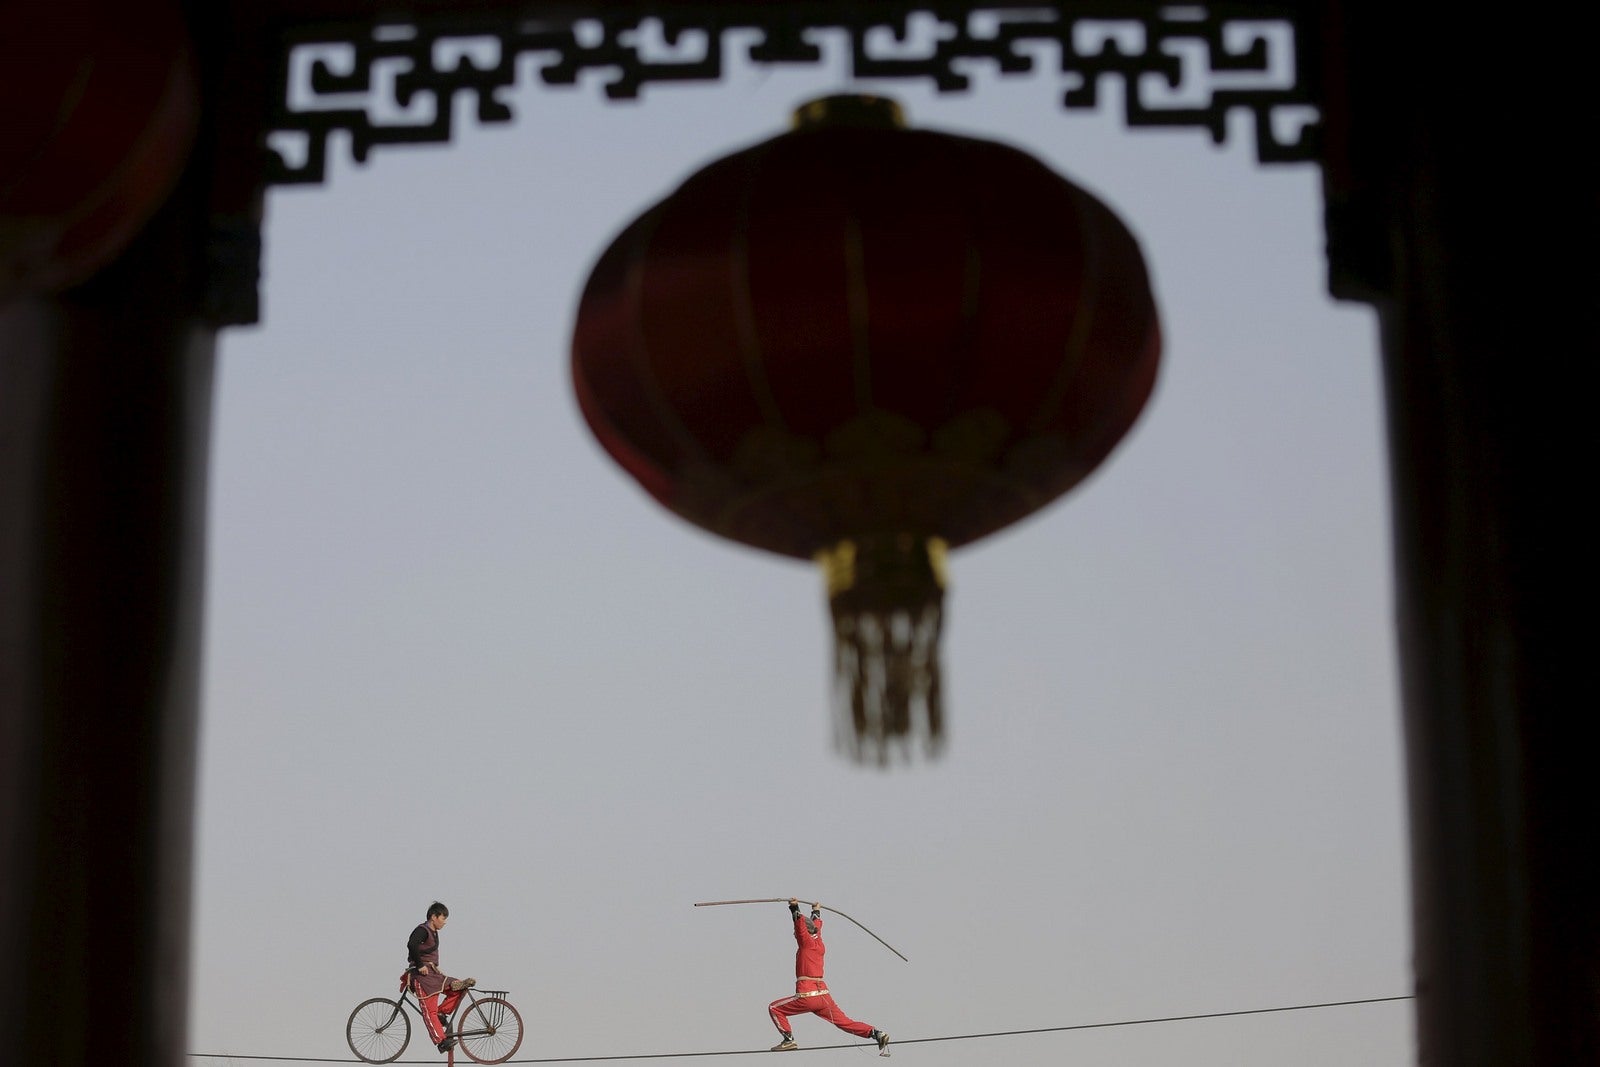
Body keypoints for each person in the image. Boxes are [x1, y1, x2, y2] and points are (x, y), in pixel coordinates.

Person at [766, 899, 889, 1054]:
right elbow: (816, 926)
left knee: (774, 1008)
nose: (795, 935)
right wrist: (816, 911)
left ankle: (789, 1040)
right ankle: (876, 1033)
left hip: (808, 994)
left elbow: (799, 927)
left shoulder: (806, 943)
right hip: (823, 997)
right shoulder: (819, 942)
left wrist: (794, 907)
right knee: (845, 1022)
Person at [406, 901, 476, 1053]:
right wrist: (420, 965)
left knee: (459, 987)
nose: (445, 922)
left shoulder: (433, 932)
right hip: (421, 977)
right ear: (433, 917)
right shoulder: (422, 930)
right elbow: (411, 945)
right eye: (443, 918)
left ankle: (440, 1013)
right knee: (428, 1010)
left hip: (434, 975)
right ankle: (441, 1041)